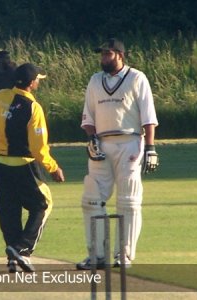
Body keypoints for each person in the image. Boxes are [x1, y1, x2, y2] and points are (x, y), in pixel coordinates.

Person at [0, 63, 65, 273]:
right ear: (32, 83)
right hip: (24, 165)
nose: (39, 81)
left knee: (9, 210)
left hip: (0, 165)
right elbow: (38, 148)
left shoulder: (0, 96)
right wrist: (53, 168)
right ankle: (21, 248)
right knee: (43, 204)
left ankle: (12, 258)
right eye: (38, 79)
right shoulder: (34, 108)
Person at [76, 38, 159, 270]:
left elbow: (148, 117)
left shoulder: (137, 78)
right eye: (101, 54)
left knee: (128, 200)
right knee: (91, 199)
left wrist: (151, 148)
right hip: (102, 143)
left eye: (107, 54)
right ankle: (97, 255)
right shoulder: (94, 81)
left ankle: (124, 255)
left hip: (130, 142)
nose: (103, 58)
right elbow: (88, 118)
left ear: (119, 55)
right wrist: (91, 139)